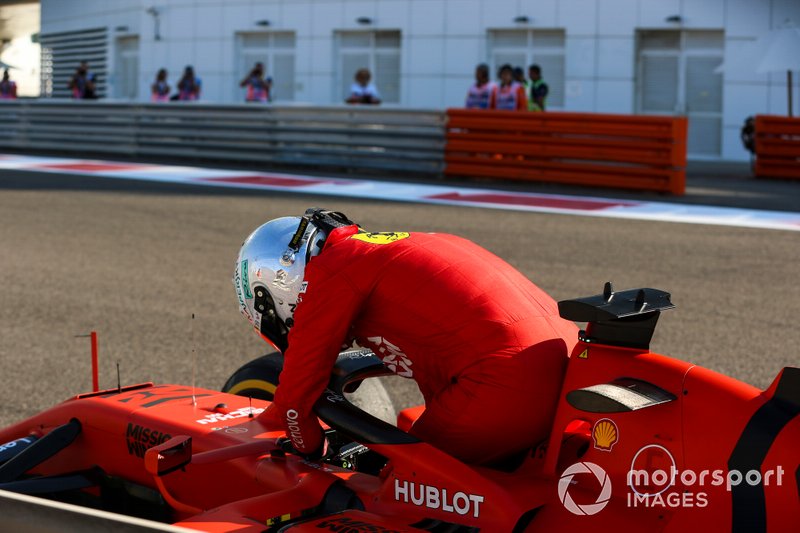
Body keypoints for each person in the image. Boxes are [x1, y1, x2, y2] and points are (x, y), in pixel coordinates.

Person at [233, 208, 578, 465]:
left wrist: (306, 450)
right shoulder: (416, 242)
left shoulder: (334, 269)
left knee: (398, 484)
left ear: (278, 289)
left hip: (504, 383)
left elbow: (296, 394)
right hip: (568, 370)